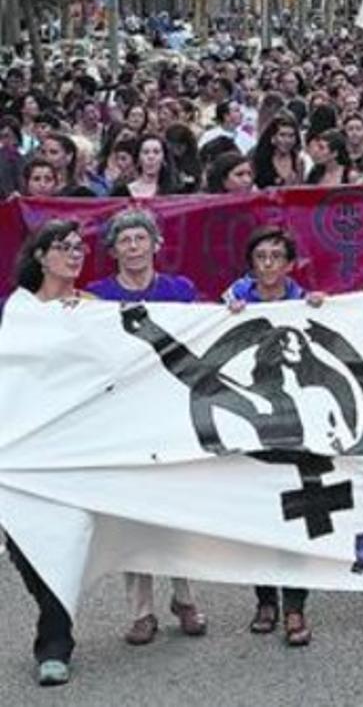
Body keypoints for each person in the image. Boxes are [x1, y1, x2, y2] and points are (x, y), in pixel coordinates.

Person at [84, 209, 208, 645]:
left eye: (140, 238)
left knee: (177, 510)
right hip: (123, 418)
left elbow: (208, 333)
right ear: (113, 249)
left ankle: (186, 598)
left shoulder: (182, 290)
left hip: (172, 412)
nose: (133, 247)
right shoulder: (93, 298)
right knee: (133, 512)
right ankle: (141, 611)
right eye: (125, 240)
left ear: (155, 244)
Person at [222, 226, 324, 646]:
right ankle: (265, 600)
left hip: (298, 427)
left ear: (288, 263)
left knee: (297, 517)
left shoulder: (304, 301)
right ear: (251, 262)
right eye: (260, 256)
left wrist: (321, 311)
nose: (267, 264)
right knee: (258, 515)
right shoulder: (234, 301)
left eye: (276, 256)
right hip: (254, 425)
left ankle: (295, 607)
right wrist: (225, 309)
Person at [5, 220, 90, 685]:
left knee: (66, 538)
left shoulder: (93, 309)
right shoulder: (13, 310)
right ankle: (53, 611)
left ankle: (54, 643)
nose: (75, 254)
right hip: (20, 446)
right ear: (40, 255)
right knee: (25, 544)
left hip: (75, 446)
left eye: (80, 247)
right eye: (64, 247)